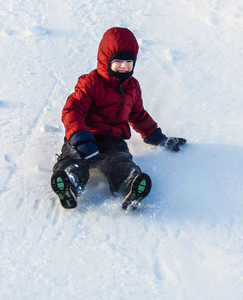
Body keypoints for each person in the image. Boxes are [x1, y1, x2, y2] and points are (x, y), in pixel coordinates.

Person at [51, 27, 186, 210]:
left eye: (129, 61)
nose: (124, 66)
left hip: (113, 141)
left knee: (119, 161)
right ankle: (70, 181)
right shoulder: (91, 82)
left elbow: (138, 114)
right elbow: (72, 109)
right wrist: (80, 137)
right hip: (85, 136)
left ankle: (129, 184)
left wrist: (157, 137)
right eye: (118, 61)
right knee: (74, 158)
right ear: (106, 59)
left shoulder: (132, 87)